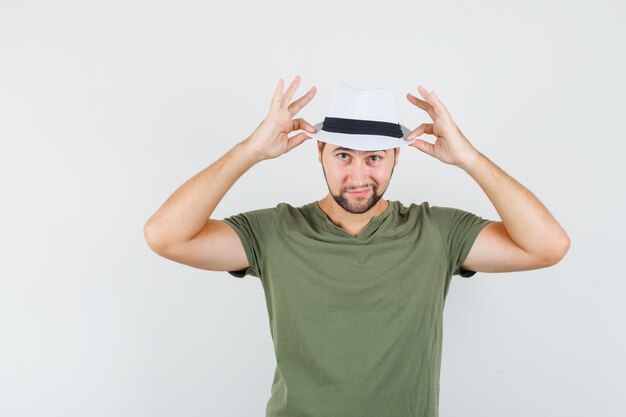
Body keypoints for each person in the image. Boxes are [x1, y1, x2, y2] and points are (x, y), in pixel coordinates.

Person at [143, 75, 570, 417]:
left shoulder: (436, 230)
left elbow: (548, 247)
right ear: (320, 154)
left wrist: (470, 158)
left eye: (374, 157)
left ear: (395, 159)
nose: (358, 175)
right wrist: (250, 150)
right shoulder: (275, 231)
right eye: (344, 156)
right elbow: (165, 236)